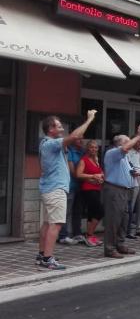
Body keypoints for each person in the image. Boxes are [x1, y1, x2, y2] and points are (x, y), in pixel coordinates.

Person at [37, 111, 98, 269]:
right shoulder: (51, 143)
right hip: (55, 189)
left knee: (47, 223)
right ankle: (47, 259)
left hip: (49, 188)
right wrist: (90, 119)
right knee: (56, 224)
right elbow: (75, 136)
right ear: (50, 129)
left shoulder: (47, 143)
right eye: (59, 126)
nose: (62, 129)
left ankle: (42, 254)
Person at [102, 125, 140, 258]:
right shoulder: (112, 153)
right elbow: (125, 148)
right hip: (115, 190)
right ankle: (109, 248)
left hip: (125, 190)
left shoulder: (125, 157)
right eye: (127, 141)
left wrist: (132, 173)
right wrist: (137, 136)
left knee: (124, 219)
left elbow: (125, 169)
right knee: (113, 220)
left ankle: (120, 244)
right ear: (119, 144)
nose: (130, 144)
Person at [76, 139, 106, 247]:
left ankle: (90, 236)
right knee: (100, 211)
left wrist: (101, 178)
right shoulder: (83, 160)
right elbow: (78, 174)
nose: (94, 149)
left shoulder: (96, 160)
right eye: (91, 147)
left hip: (97, 188)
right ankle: (88, 235)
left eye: (95, 147)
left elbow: (100, 173)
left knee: (92, 213)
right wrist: (92, 176)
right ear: (87, 148)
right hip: (88, 189)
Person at [58, 136, 85, 245]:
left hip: (80, 185)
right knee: (66, 211)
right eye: (79, 139)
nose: (81, 141)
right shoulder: (69, 152)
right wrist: (87, 176)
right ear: (73, 141)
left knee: (78, 211)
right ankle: (63, 235)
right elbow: (73, 171)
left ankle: (77, 233)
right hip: (70, 185)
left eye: (82, 139)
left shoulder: (83, 152)